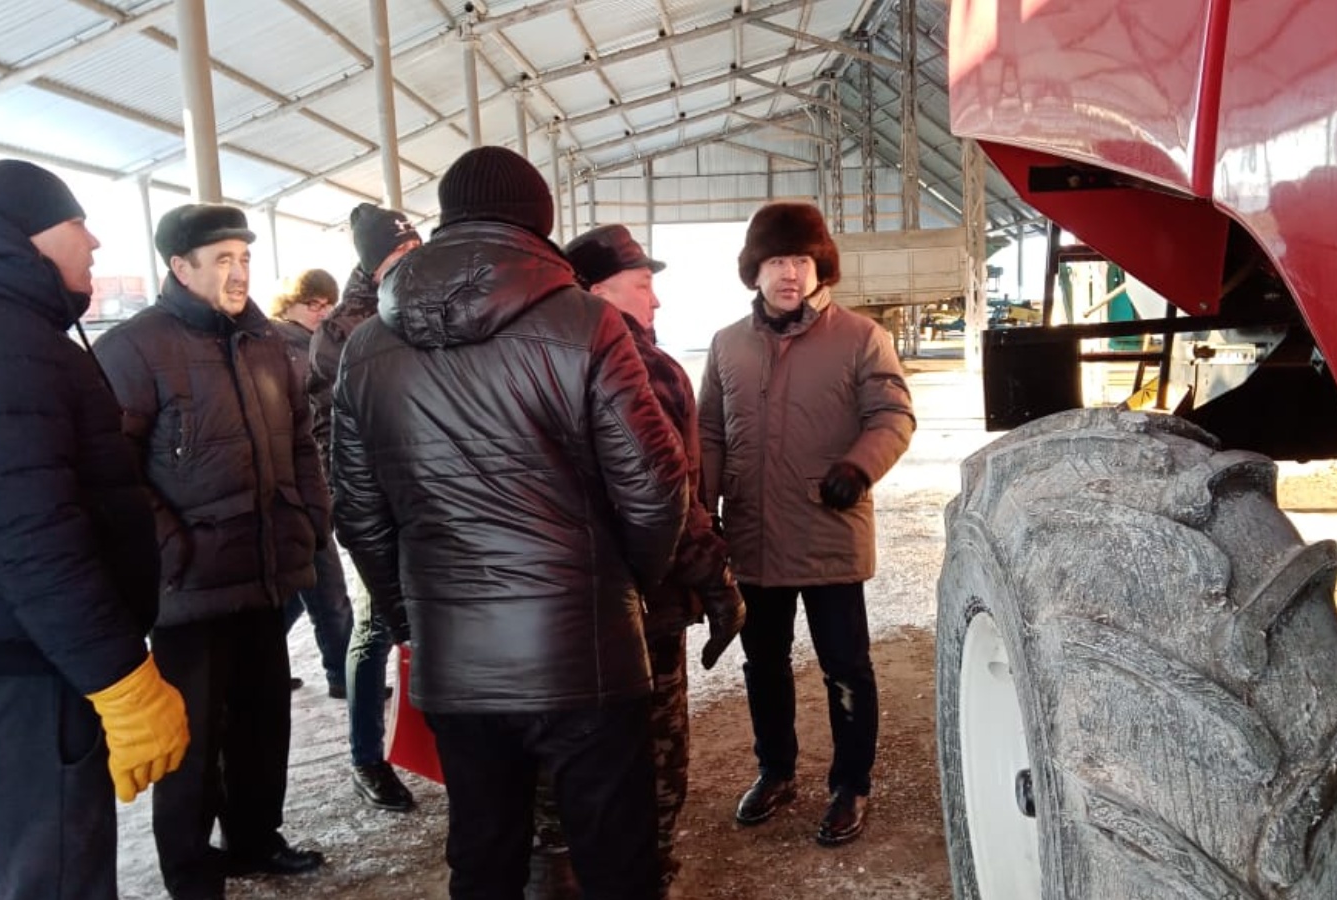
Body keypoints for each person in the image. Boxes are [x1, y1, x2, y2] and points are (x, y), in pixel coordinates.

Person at [331, 146, 690, 899]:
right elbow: (655, 492)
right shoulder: (588, 324)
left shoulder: (365, 347)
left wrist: (413, 619)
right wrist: (616, 591)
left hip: (454, 660)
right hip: (585, 652)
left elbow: (360, 517)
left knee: (484, 856)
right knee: (617, 864)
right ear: (538, 223)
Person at [0, 160, 188, 897]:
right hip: (18, 675)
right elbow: (32, 533)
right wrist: (120, 679)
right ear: (28, 231)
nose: (95, 241)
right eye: (78, 222)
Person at [94, 203, 330, 899]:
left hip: (263, 569)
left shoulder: (265, 343)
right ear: (180, 266)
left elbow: (302, 441)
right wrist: (172, 550)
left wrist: (311, 518)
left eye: (245, 258)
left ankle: (255, 838)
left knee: (263, 719)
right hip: (188, 587)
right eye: (222, 259)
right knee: (193, 737)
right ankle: (191, 870)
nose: (238, 272)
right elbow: (113, 471)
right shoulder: (134, 349)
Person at [522, 224, 746, 898]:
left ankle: (555, 872)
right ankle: (647, 876)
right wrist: (715, 580)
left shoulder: (528, 358)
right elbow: (666, 493)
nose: (657, 300)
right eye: (643, 284)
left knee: (562, 763)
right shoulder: (643, 367)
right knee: (652, 761)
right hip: (645, 606)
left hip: (553, 612)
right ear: (596, 291)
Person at [698, 201, 915, 846]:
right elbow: (709, 433)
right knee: (763, 664)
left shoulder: (861, 338)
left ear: (820, 266)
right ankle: (776, 771)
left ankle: (851, 784)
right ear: (755, 271)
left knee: (845, 666)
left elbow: (893, 416)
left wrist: (859, 467)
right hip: (753, 535)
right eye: (775, 261)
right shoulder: (727, 344)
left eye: (800, 259)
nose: (789, 273)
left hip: (828, 530)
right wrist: (703, 509)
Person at [306, 203, 422, 812]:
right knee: (376, 628)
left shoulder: (426, 304)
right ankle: (366, 757)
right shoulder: (341, 332)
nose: (414, 259)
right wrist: (358, 512)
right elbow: (333, 436)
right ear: (375, 262)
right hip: (378, 508)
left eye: (417, 247)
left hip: (431, 501)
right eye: (401, 252)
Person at [270, 269, 352, 698]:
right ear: (289, 305)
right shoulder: (282, 347)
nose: (321, 312)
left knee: (301, 586)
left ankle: (261, 661)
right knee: (326, 583)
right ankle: (342, 674)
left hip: (311, 480)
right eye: (312, 304)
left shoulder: (313, 344)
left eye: (327, 304)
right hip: (299, 484)